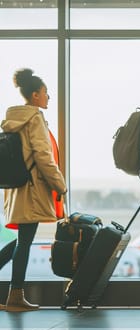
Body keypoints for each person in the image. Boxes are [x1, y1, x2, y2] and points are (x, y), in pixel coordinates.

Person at [0, 68, 67, 312]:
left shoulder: (13, 119)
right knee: (25, 242)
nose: (48, 97)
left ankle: (15, 295)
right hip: (32, 190)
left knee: (23, 240)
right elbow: (43, 156)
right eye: (46, 93)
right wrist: (60, 184)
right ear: (36, 95)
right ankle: (15, 296)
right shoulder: (34, 119)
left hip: (17, 189)